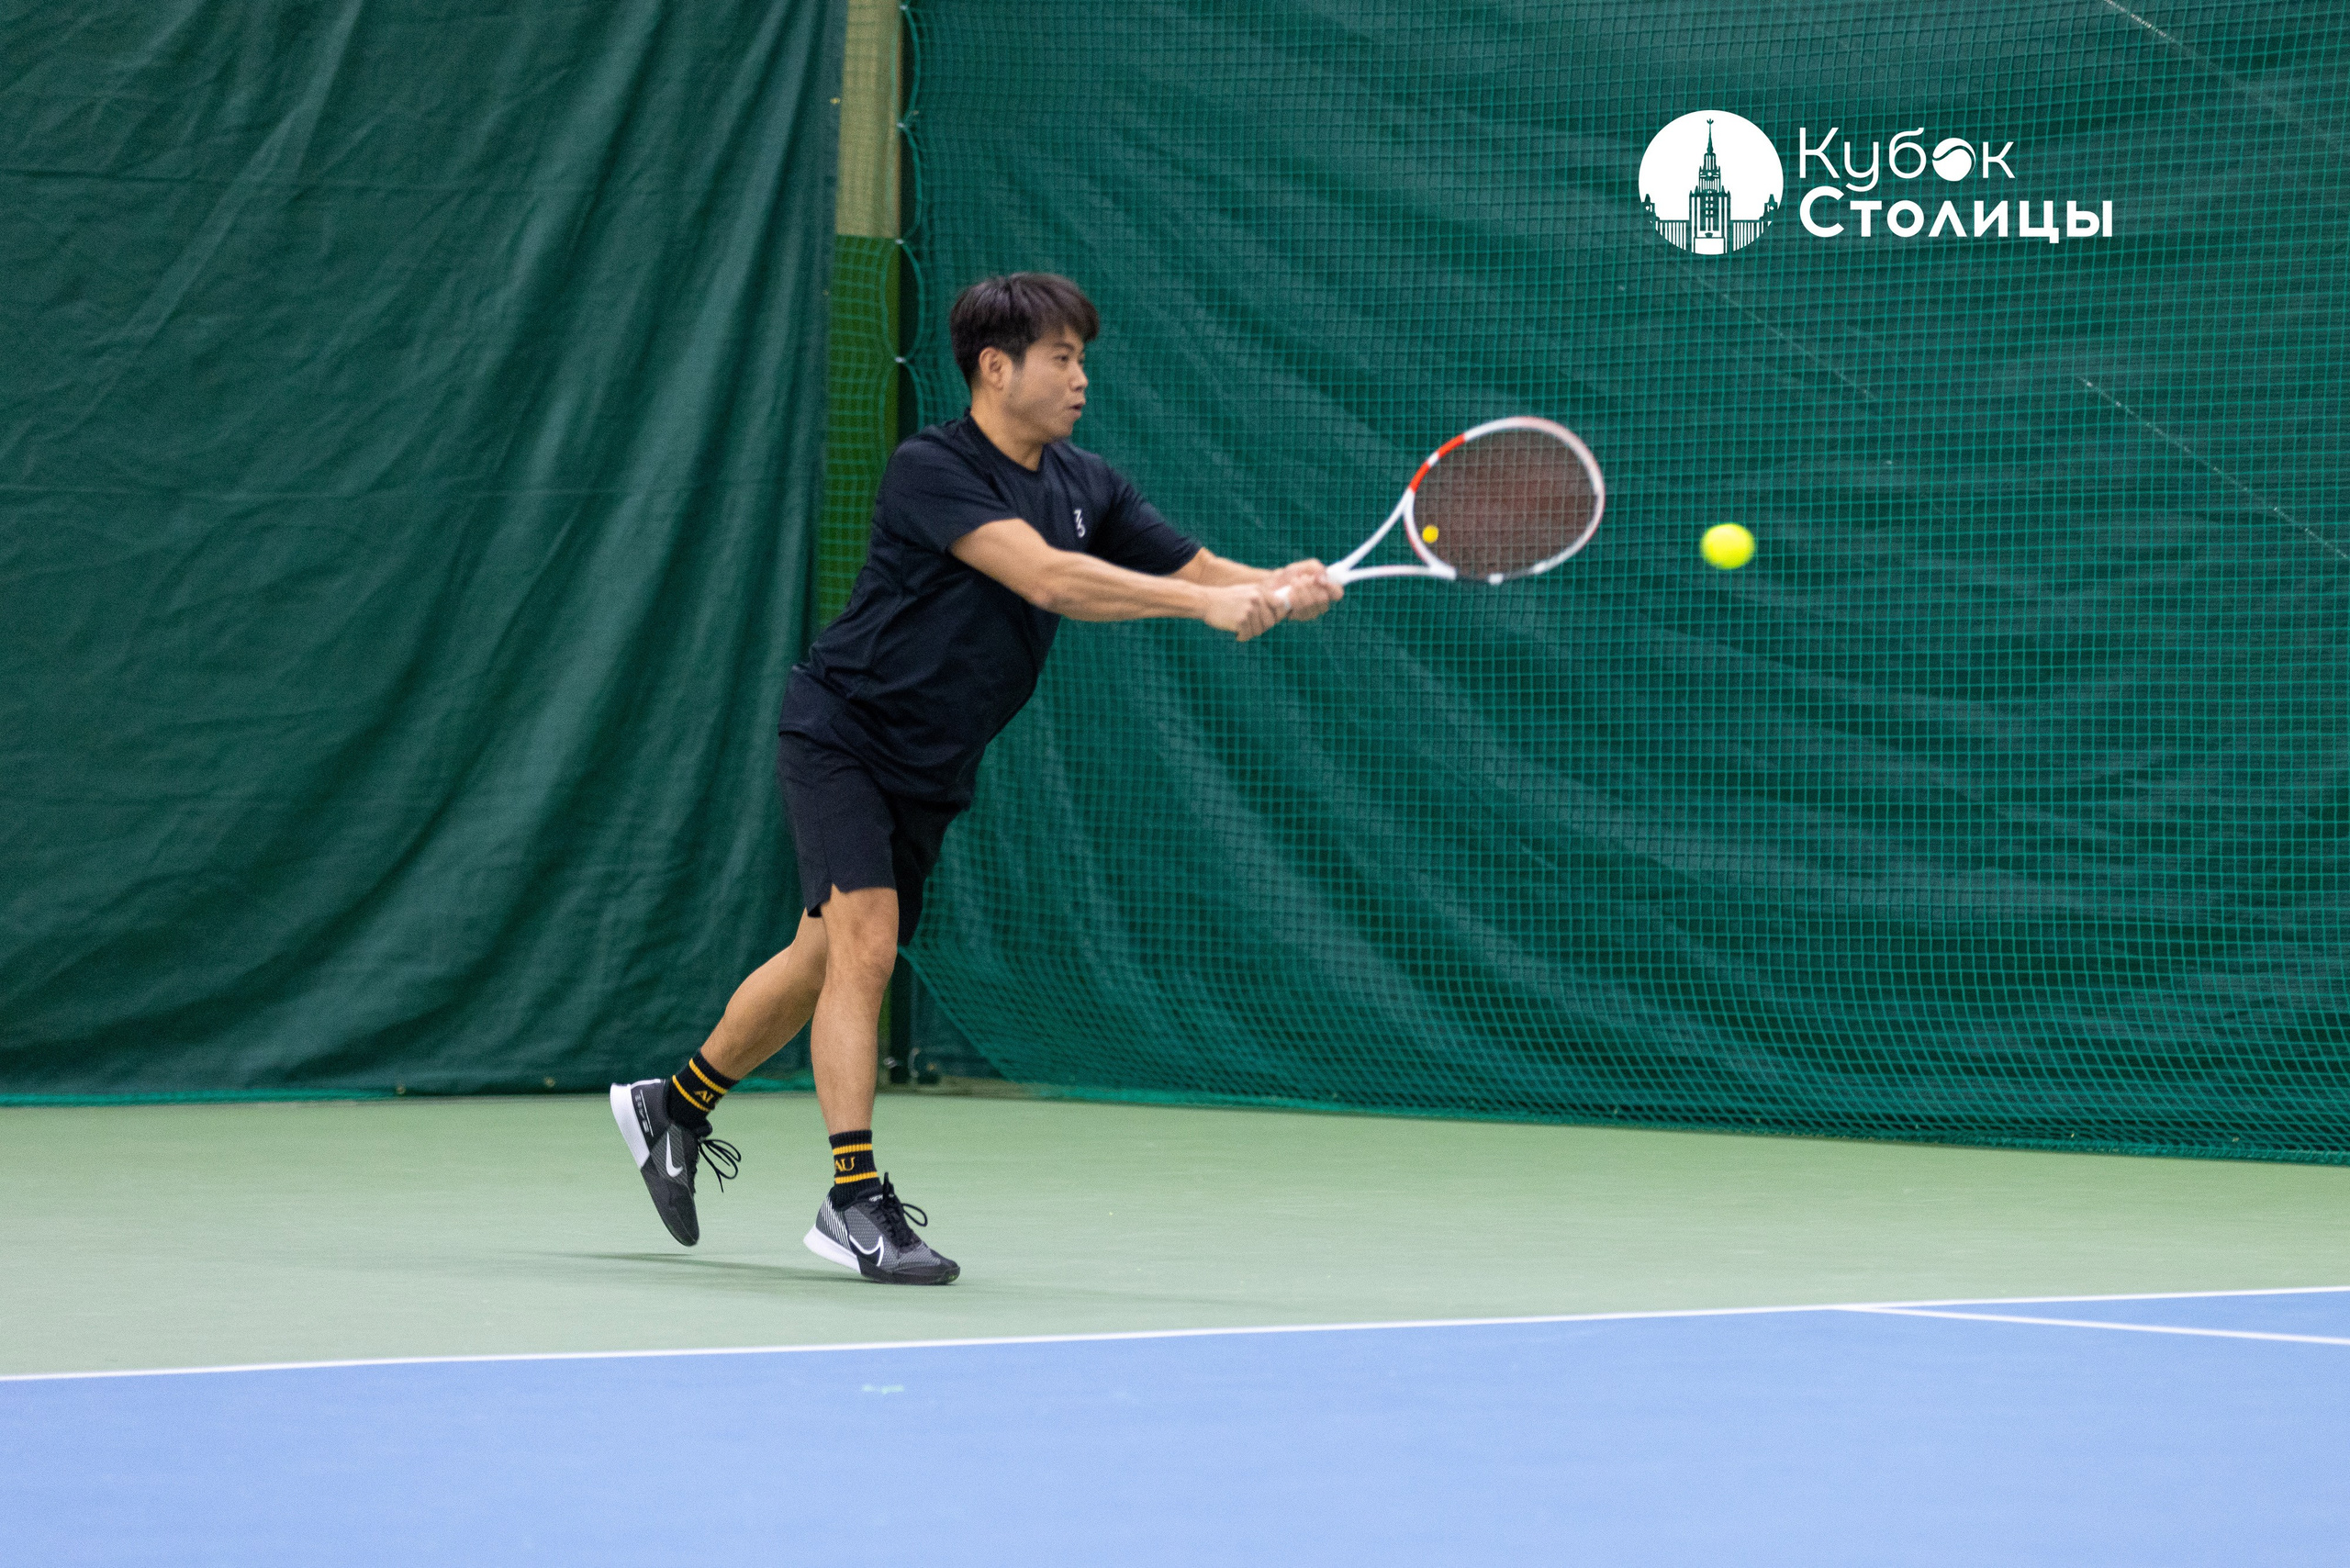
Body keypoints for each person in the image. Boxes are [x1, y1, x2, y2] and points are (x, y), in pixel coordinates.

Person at [610, 273, 1340, 1283]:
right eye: (1062, 357)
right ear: (995, 368)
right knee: (866, 941)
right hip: (844, 732)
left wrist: (1271, 585)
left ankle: (674, 1105)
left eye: (1083, 356)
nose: (1081, 376)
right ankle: (854, 1198)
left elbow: (1194, 565)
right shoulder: (931, 468)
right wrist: (1209, 609)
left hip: (933, 759)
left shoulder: (1091, 485)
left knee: (822, 957)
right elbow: (1048, 578)